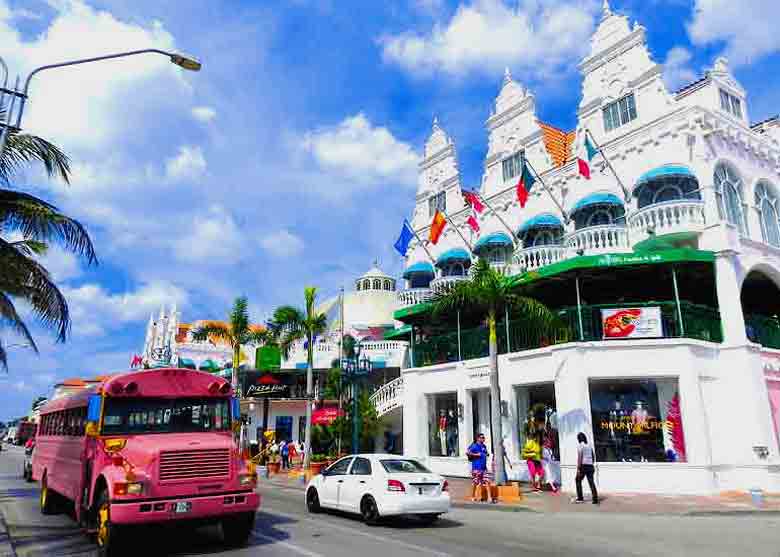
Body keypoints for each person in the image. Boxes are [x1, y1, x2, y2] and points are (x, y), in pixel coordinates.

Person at [467, 433, 493, 502]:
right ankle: (472, 496)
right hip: (476, 468)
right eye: (482, 437)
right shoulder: (474, 446)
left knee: (487, 482)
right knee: (475, 483)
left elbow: (485, 453)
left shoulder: (484, 446)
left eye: (484, 437)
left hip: (484, 468)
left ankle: (489, 497)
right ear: (478, 438)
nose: (483, 439)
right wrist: (476, 454)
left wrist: (487, 454)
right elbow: (468, 452)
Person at [573, 432, 599, 504]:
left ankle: (580, 498)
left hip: (583, 466)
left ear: (579, 439)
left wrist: (578, 468)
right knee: (591, 482)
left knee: (577, 480)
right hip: (590, 466)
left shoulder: (580, 446)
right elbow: (593, 456)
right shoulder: (589, 445)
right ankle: (595, 499)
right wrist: (591, 463)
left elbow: (580, 458)